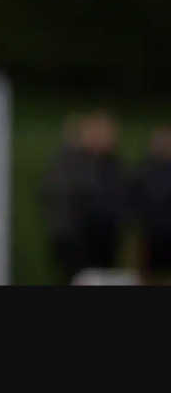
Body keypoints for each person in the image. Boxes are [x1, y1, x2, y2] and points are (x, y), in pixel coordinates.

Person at [41, 111, 127, 284]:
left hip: (104, 239)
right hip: (77, 241)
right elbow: (63, 200)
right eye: (101, 132)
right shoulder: (71, 162)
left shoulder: (111, 163)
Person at [128, 127, 171, 284]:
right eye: (160, 142)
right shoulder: (143, 169)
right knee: (146, 275)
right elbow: (133, 198)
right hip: (148, 234)